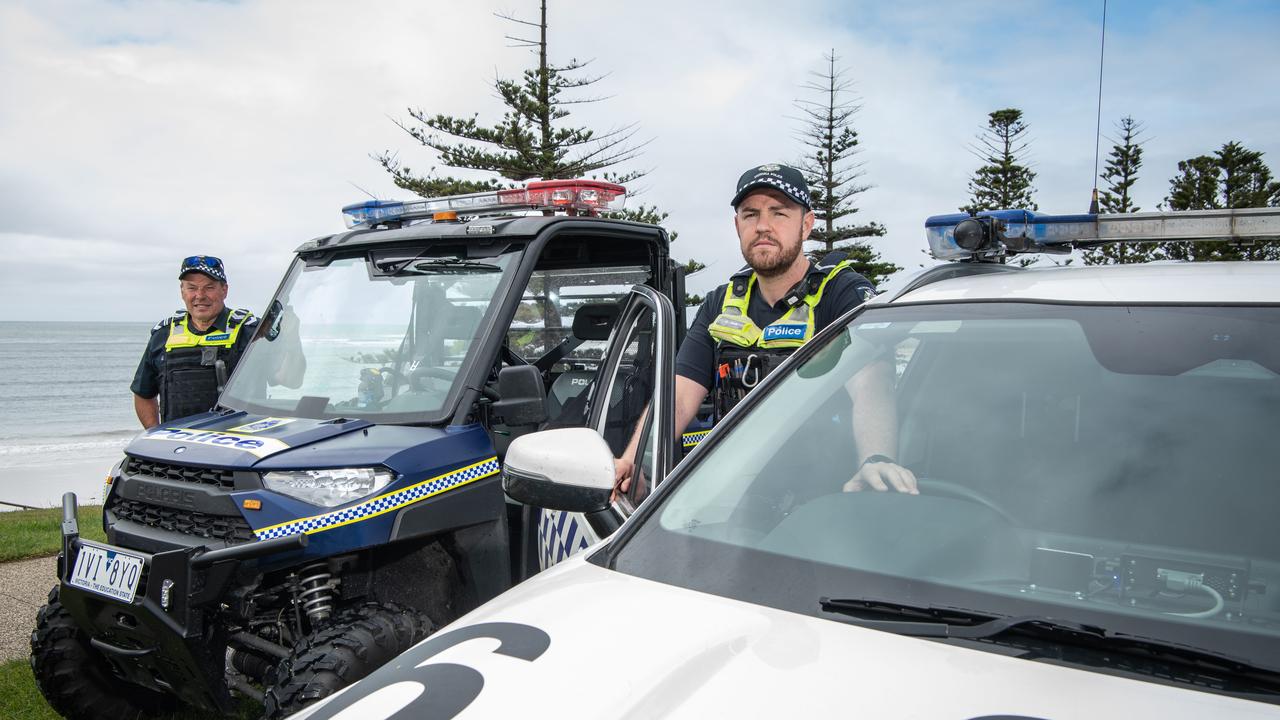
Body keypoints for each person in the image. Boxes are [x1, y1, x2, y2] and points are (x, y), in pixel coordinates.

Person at [615, 163, 917, 496]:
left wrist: (875, 458)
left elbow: (871, 382)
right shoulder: (721, 303)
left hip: (828, 495)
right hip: (738, 494)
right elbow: (679, 397)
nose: (763, 226)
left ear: (806, 224)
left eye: (779, 213)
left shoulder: (840, 295)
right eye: (750, 214)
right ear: (737, 225)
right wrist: (633, 462)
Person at [131, 255, 258, 427]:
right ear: (182, 291)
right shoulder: (163, 335)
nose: (200, 295)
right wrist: (156, 434)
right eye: (192, 288)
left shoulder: (250, 331)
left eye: (209, 287)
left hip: (237, 444)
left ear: (224, 290)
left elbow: (288, 380)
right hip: (180, 448)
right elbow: (143, 394)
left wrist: (290, 335)